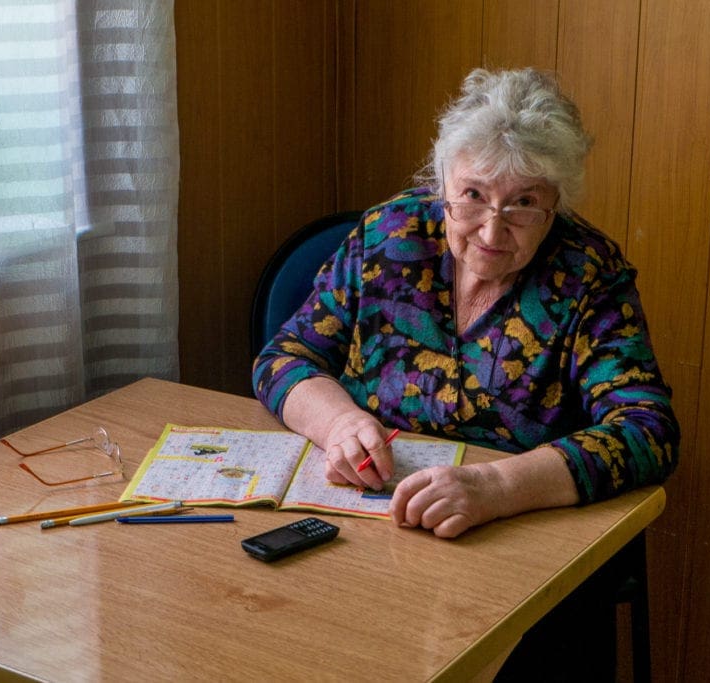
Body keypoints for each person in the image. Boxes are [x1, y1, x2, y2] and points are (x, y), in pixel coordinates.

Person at [252, 68, 679, 679]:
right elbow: (284, 358)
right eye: (474, 195)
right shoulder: (387, 237)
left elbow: (647, 429)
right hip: (369, 537)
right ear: (443, 181)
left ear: (557, 201)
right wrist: (341, 423)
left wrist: (497, 489)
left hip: (521, 548)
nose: (491, 229)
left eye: (524, 204)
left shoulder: (587, 275)